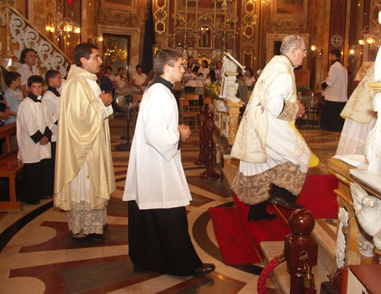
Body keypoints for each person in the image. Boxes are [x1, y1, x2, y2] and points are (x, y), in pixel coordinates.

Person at [123, 48, 215, 277]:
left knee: (152, 213)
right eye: (181, 66)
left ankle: (146, 259)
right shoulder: (160, 95)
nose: (184, 70)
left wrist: (173, 131)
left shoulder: (158, 91)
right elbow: (155, 135)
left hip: (154, 163)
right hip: (157, 164)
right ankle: (185, 265)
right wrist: (179, 135)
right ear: (167, 68)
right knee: (171, 214)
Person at [231, 35, 318, 221]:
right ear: (294, 52)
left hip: (259, 123)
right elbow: (275, 105)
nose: (304, 55)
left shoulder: (275, 64)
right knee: (301, 155)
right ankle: (283, 195)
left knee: (262, 165)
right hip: (270, 126)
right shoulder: (284, 73)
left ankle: (257, 212)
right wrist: (296, 109)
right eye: (303, 51)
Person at [54, 42, 116, 242]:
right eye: (95, 57)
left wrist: (102, 103)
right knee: (85, 185)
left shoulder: (88, 80)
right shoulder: (76, 83)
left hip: (94, 142)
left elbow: (93, 111)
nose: (100, 61)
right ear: (83, 60)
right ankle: (83, 228)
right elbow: (78, 117)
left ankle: (94, 225)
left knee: (94, 184)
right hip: (83, 147)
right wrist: (101, 102)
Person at [16, 75, 53, 204]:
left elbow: (49, 122)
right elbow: (28, 124)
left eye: (39, 87)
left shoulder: (42, 103)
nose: (37, 89)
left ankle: (45, 192)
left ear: (42, 88)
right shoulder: (26, 104)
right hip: (31, 143)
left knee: (44, 169)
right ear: (29, 88)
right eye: (34, 87)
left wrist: (47, 136)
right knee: (32, 172)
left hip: (43, 141)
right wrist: (39, 138)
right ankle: (32, 197)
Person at [42, 70, 62, 189]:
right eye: (58, 78)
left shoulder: (57, 93)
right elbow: (48, 117)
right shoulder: (48, 96)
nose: (60, 80)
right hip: (54, 133)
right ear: (51, 80)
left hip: (59, 132)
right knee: (53, 162)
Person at [320, 49, 348, 132]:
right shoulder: (343, 67)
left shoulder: (335, 66)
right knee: (338, 116)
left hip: (333, 96)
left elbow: (330, 81)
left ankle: (330, 127)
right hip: (341, 96)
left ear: (333, 55)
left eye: (331, 55)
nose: (330, 57)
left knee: (331, 114)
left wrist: (322, 84)